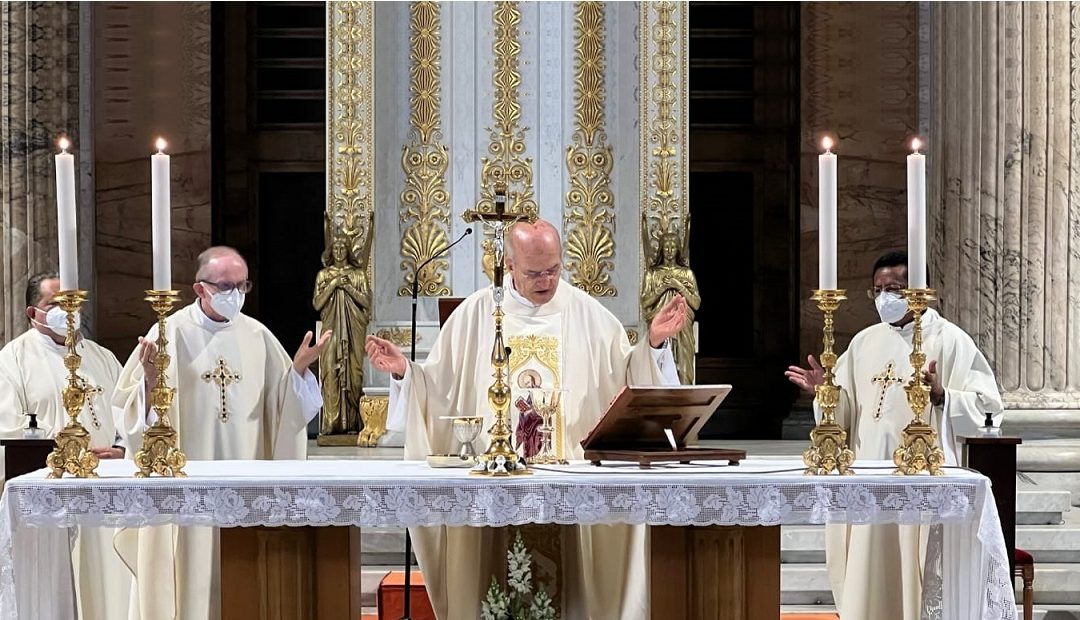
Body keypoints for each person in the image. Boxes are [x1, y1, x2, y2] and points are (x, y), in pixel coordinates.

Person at [366, 218, 687, 620]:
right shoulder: (478, 314)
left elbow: (627, 383)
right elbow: (438, 388)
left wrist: (653, 345)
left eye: (554, 269)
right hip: (497, 490)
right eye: (535, 272)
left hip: (569, 490)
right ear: (508, 265)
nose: (547, 281)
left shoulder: (589, 315)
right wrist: (404, 373)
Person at [112, 246, 330, 620]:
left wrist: (298, 373)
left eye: (243, 285)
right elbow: (134, 422)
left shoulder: (258, 335)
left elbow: (285, 415)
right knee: (189, 581)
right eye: (227, 286)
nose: (236, 295)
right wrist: (149, 382)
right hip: (185, 492)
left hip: (244, 489)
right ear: (201, 289)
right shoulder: (168, 333)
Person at [785, 250, 1004, 620]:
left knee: (914, 575)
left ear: (919, 291)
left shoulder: (950, 340)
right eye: (878, 290)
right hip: (869, 476)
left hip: (921, 481)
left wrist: (941, 396)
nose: (885, 297)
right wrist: (827, 394)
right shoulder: (863, 342)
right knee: (869, 575)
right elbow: (845, 418)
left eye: (895, 288)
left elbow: (990, 411)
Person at [0, 271, 130, 620]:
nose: (66, 311)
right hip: (51, 496)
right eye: (53, 304)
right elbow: (8, 432)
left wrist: (121, 449)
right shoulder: (12, 361)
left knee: (106, 594)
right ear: (32, 313)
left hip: (105, 490)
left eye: (71, 303)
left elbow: (127, 417)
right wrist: (62, 457)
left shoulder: (101, 357)